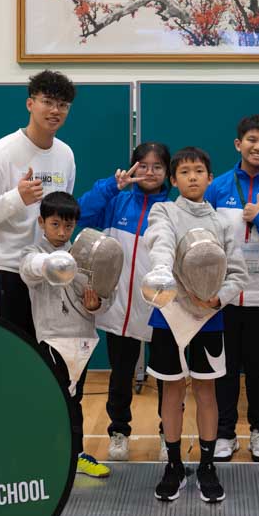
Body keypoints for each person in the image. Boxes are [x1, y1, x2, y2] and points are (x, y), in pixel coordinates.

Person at [143, 147, 248, 503]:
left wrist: (218, 299)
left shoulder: (222, 223)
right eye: (185, 172)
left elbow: (237, 273)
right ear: (174, 180)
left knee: (206, 392)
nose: (192, 177)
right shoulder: (164, 211)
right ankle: (173, 465)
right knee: (172, 392)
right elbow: (160, 242)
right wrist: (162, 271)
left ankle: (206, 465)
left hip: (209, 318)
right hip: (170, 314)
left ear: (209, 178)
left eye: (199, 171)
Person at [0, 70, 77, 338]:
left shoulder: (65, 155)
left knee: (39, 353)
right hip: (4, 270)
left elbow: (61, 212)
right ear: (30, 104)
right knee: (2, 350)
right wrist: (16, 198)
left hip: (44, 271)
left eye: (62, 105)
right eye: (47, 102)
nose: (55, 110)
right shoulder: (1, 154)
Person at [206, 114, 259, 463]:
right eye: (252, 140)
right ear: (238, 144)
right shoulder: (217, 188)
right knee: (224, 369)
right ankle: (225, 432)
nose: (258, 147)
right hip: (223, 296)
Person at [78, 141, 171, 461]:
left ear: (167, 172)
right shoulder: (115, 202)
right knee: (120, 373)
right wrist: (111, 186)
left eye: (157, 166)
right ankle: (118, 431)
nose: (150, 172)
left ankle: (168, 434)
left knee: (166, 377)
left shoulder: (171, 209)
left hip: (160, 310)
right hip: (119, 307)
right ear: (132, 167)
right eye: (143, 166)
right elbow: (81, 213)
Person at [19, 191, 112, 479]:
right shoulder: (33, 253)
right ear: (41, 222)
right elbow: (28, 270)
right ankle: (52, 456)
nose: (61, 232)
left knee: (74, 399)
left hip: (83, 339)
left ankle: (77, 455)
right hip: (52, 338)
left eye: (68, 226)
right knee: (56, 399)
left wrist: (96, 304)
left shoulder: (86, 257)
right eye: (55, 224)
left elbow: (104, 296)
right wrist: (52, 262)